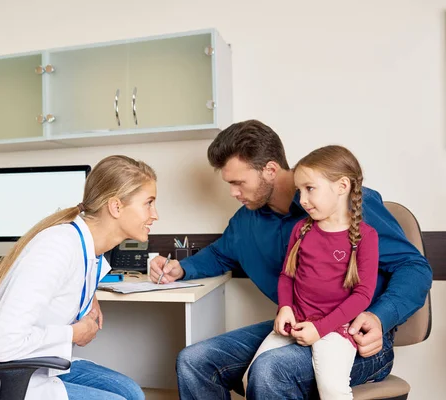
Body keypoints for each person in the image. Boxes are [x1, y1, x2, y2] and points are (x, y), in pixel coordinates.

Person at [149, 120, 432, 399]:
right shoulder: (246, 221)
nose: (233, 193)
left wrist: (379, 317)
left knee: (271, 369)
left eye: (238, 182)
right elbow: (220, 254)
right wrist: (181, 269)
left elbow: (414, 268)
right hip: (300, 324)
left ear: (270, 170)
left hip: (354, 336)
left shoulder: (345, 205)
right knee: (194, 361)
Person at [0, 155, 158, 400]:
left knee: (132, 393)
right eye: (149, 203)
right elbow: (2, 343)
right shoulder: (56, 248)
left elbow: (65, 285)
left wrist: (89, 296)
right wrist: (73, 334)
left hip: (30, 364)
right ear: (116, 206)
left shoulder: (87, 247)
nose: (155, 215)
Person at [246, 145, 378, 400]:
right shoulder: (301, 229)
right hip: (296, 322)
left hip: (335, 329)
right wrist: (285, 307)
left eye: (310, 189)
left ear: (342, 186)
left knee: (332, 389)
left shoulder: (366, 236)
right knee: (252, 374)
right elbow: (287, 276)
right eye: (299, 190)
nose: (302, 199)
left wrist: (320, 329)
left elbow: (363, 295)